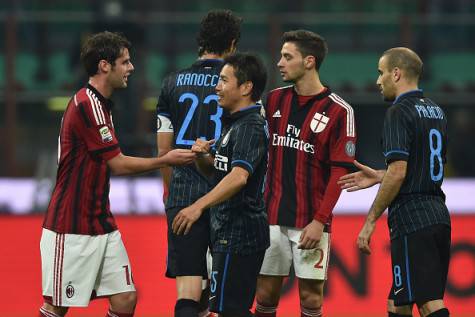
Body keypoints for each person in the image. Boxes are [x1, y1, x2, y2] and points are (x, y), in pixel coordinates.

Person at [39, 31, 195, 317]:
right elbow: (118, 164)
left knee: (125, 298)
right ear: (104, 66)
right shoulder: (88, 105)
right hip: (70, 225)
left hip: (100, 221)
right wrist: (165, 160)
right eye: (124, 62)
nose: (131, 68)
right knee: (56, 307)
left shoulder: (101, 104)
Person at [338, 47, 451, 317]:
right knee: (398, 302)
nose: (378, 81)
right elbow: (420, 166)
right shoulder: (436, 111)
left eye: (381, 73)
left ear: (396, 73)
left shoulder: (398, 112)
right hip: (437, 214)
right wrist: (380, 175)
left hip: (412, 218)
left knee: (428, 302)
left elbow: (399, 171)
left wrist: (369, 221)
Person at [255, 30, 357, 317]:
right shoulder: (273, 101)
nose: (279, 63)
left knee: (311, 298)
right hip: (271, 216)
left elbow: (340, 171)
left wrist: (319, 221)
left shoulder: (339, 111)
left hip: (310, 219)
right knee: (265, 292)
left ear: (309, 61)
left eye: (287, 57)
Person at [155, 9, 242, 317]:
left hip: (183, 193)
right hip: (226, 194)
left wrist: (171, 193)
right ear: (232, 45)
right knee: (226, 290)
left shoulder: (171, 83)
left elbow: (164, 150)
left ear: (200, 41)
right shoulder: (239, 86)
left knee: (188, 290)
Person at [172, 52, 269, 317]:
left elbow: (239, 177)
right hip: (227, 231)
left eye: (224, 80)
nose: (217, 87)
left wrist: (197, 207)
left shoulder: (250, 126)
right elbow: (220, 170)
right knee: (228, 309)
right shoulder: (233, 123)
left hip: (240, 233)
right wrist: (204, 156)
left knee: (230, 310)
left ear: (246, 87)